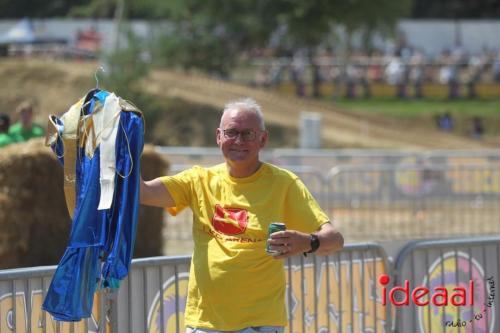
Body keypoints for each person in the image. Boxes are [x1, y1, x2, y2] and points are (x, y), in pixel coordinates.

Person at [140, 98, 344, 333]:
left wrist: (309, 242)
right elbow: (143, 192)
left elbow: (335, 239)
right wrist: (121, 147)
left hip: (259, 325)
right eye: (231, 132)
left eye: (247, 134)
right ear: (219, 137)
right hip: (205, 324)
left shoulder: (284, 183)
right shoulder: (198, 180)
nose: (238, 141)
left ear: (263, 140)